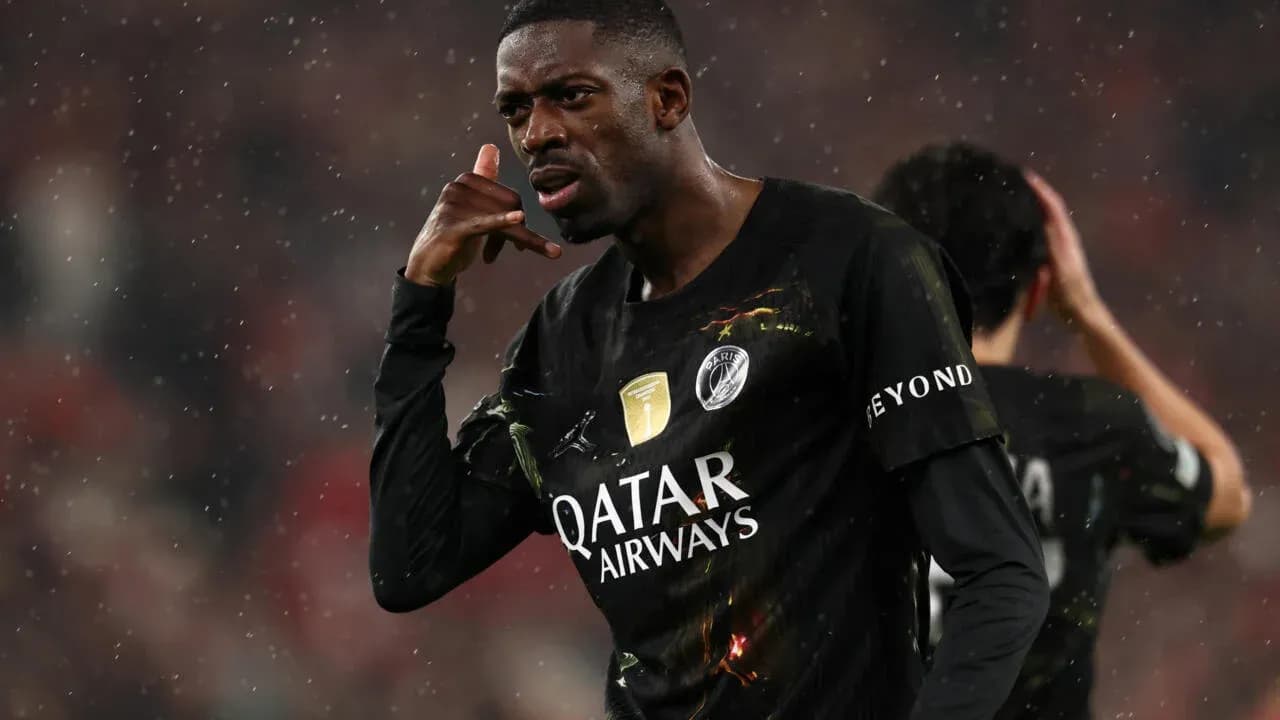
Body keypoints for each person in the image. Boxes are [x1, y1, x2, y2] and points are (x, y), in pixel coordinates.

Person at [369, 3, 1049, 718]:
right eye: (516, 110)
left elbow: (1000, 573)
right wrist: (422, 298)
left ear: (667, 99)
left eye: (570, 96)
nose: (536, 134)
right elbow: (411, 564)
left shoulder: (851, 263)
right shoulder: (561, 340)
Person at [873, 142, 1252, 720]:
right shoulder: (1090, 423)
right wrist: (1090, 315)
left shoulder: (830, 424)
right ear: (1038, 290)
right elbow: (1228, 498)